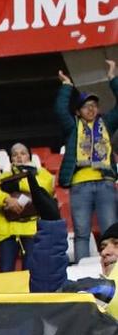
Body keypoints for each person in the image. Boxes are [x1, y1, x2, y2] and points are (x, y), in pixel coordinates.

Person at [55, 74, 118, 265]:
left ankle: (114, 267)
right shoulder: (72, 127)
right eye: (86, 106)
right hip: (80, 185)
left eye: (94, 105)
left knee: (111, 230)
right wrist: (67, 86)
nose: (91, 109)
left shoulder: (106, 123)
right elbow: (59, 110)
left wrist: (113, 78)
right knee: (82, 231)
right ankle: (83, 269)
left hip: (105, 183)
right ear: (78, 111)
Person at [0, 142, 59, 273]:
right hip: (8, 232)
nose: (19, 157)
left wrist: (18, 184)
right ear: (11, 159)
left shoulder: (42, 174)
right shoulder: (5, 176)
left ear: (29, 157)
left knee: (30, 272)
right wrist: (7, 199)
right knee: (5, 273)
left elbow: (44, 189)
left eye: (23, 153)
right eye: (15, 155)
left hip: (31, 230)